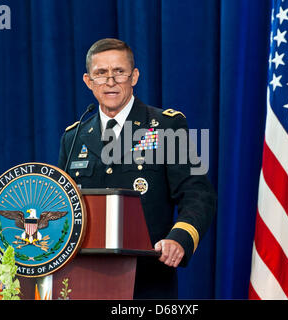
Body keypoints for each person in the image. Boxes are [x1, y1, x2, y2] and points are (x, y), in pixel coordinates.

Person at [58, 38, 216, 299]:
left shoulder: (167, 127)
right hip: (83, 280)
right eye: (101, 73)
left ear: (134, 77)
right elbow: (62, 205)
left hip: (147, 281)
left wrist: (180, 238)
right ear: (88, 81)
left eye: (119, 72)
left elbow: (198, 194)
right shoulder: (73, 137)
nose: (110, 81)